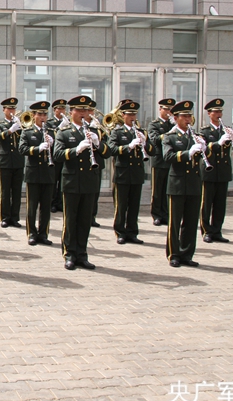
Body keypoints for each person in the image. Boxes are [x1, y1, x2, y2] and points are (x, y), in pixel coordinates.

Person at [53, 96, 101, 270]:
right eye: (79, 110)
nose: (83, 114)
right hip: (72, 181)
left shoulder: (95, 130)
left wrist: (98, 144)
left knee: (85, 220)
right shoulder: (64, 132)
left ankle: (82, 254)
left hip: (89, 182)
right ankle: (69, 254)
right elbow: (58, 155)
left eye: (85, 110)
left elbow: (107, 152)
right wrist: (76, 149)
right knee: (71, 220)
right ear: (71, 112)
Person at [163, 100, 204, 268]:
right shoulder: (170, 136)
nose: (188, 119)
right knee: (175, 222)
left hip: (193, 183)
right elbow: (168, 157)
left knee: (191, 221)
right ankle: (174, 254)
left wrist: (203, 150)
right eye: (184, 116)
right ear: (176, 117)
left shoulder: (195, 136)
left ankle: (187, 253)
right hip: (177, 184)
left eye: (190, 116)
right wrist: (188, 153)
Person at [108, 101, 152, 245]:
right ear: (123, 115)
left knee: (134, 205)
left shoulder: (141, 131)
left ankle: (132, 232)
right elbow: (112, 149)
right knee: (121, 206)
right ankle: (120, 232)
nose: (133, 117)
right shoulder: (117, 132)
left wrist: (145, 143)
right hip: (123, 173)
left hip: (137, 174)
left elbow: (153, 151)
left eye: (134, 114)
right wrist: (128, 146)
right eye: (130, 114)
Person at [199, 99, 233, 243]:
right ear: (209, 114)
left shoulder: (226, 129)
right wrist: (218, 143)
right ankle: (206, 231)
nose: (218, 114)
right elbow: (203, 149)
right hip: (209, 171)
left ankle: (217, 231)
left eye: (220, 112)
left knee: (220, 204)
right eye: (215, 112)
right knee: (206, 204)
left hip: (223, 171)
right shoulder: (204, 131)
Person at [18, 101, 55, 246]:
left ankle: (43, 233)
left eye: (45, 114)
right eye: (40, 114)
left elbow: (58, 153)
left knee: (46, 207)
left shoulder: (52, 132)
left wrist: (52, 144)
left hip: (48, 173)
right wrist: (38, 148)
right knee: (32, 206)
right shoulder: (27, 132)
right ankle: (32, 233)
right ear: (33, 116)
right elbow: (22, 149)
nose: (43, 117)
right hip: (33, 174)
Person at [0, 98, 24, 228]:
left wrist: (21, 127)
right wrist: (10, 130)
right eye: (9, 109)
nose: (12, 111)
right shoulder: (0, 124)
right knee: (5, 191)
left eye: (13, 109)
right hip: (6, 161)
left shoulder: (20, 124)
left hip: (18, 161)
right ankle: (5, 217)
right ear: (4, 110)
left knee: (17, 191)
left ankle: (15, 217)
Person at [148, 98, 176, 226]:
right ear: (160, 109)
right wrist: (170, 132)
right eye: (166, 109)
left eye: (170, 109)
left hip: (170, 160)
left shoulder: (173, 123)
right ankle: (156, 215)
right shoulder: (154, 124)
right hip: (159, 160)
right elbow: (154, 139)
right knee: (157, 190)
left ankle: (166, 214)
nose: (168, 112)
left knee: (167, 189)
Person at [47, 98, 68, 213]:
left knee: (62, 180)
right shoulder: (50, 122)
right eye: (59, 109)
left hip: (65, 155)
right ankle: (52, 203)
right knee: (53, 180)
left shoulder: (68, 122)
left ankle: (60, 202)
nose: (61, 111)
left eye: (63, 108)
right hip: (53, 155)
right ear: (54, 110)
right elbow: (49, 135)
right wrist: (59, 128)